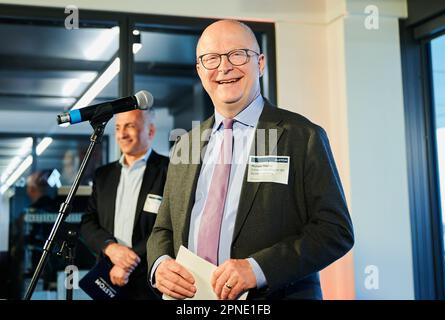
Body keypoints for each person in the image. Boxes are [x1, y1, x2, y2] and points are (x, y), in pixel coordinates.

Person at [146, 19, 354, 300]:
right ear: (199, 70)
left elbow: (334, 231)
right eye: (211, 58)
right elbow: (163, 228)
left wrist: (258, 269)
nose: (224, 67)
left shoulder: (302, 136)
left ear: (260, 63)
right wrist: (160, 265)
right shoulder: (186, 143)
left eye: (237, 54)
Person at [80, 107, 168, 299]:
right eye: (118, 127)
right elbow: (88, 222)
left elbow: (171, 226)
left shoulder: (169, 171)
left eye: (130, 126)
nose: (122, 134)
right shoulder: (103, 175)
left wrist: (127, 261)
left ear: (150, 131)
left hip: (150, 279)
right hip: (107, 276)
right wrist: (110, 248)